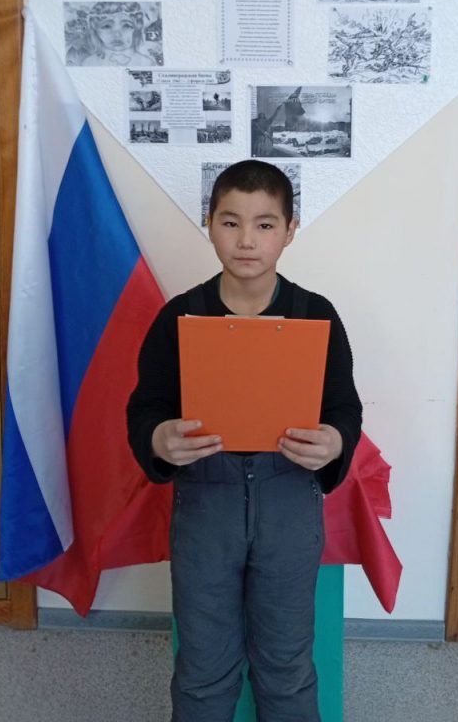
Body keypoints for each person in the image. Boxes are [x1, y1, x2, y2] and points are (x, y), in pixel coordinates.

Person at [127, 160, 362, 722]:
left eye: (265, 224)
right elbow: (147, 406)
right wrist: (159, 438)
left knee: (286, 662)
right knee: (203, 665)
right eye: (231, 223)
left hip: (288, 500)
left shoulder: (315, 315)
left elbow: (343, 408)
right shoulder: (179, 316)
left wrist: (334, 442)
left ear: (290, 230)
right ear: (209, 224)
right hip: (207, 503)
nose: (247, 240)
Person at [80, 2, 155, 66]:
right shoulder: (89, 63)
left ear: (136, 29)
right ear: (96, 30)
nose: (117, 35)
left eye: (126, 26)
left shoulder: (147, 63)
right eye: (107, 26)